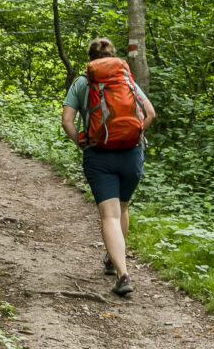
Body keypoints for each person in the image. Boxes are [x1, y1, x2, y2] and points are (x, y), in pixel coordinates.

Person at [61, 37, 156, 297]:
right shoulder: (125, 79)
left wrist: (81, 140)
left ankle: (123, 274)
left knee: (109, 215)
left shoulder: (83, 82)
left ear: (90, 58)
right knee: (122, 208)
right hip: (131, 154)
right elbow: (150, 114)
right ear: (113, 56)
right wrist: (133, 134)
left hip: (99, 156)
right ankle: (113, 261)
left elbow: (67, 120)